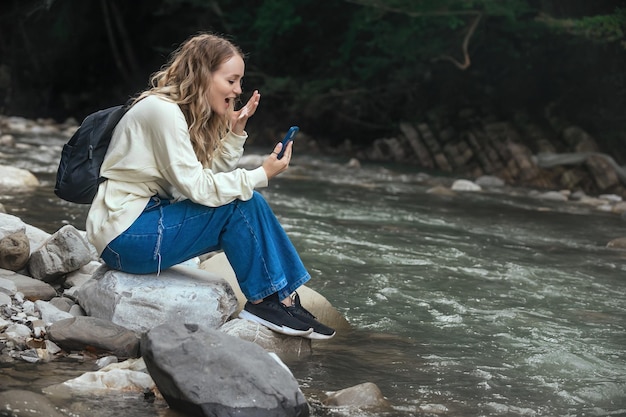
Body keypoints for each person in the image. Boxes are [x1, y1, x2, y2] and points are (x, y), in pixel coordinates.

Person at [85, 33, 335, 340]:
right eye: (232, 80)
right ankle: (268, 301)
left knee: (245, 201)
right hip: (125, 236)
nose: (238, 90)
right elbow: (199, 189)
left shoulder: (172, 111)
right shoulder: (161, 111)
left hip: (143, 225)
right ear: (205, 74)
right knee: (243, 201)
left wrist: (233, 135)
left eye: (240, 82)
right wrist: (261, 174)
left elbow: (197, 184)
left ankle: (283, 300)